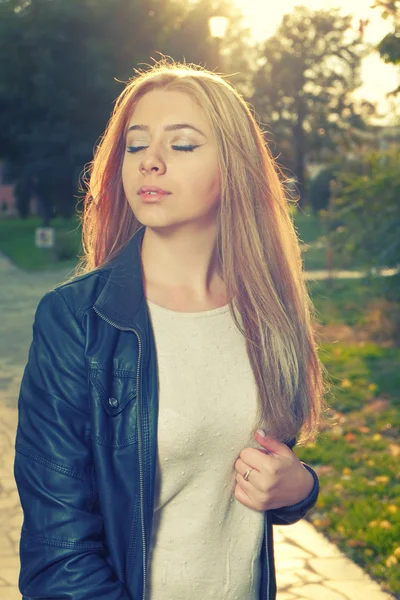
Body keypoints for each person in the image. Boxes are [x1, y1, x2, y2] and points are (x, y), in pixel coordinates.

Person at [14, 60, 325, 600]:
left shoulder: (268, 313)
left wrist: (300, 488)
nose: (150, 163)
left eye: (181, 145)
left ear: (234, 167)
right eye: (136, 146)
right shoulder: (76, 322)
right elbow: (57, 555)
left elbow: (261, 477)